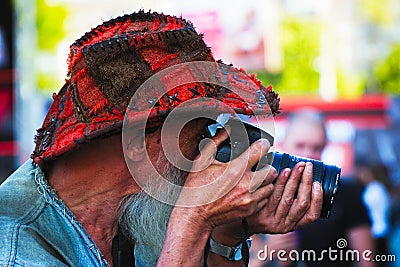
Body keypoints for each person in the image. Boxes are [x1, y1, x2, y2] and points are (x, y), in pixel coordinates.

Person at [0, 11, 323, 267]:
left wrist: (227, 234)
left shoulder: (138, 208)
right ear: (140, 142)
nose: (210, 149)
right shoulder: (13, 246)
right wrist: (193, 220)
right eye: (203, 132)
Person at [250, 110, 375, 267]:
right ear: (283, 144)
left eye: (316, 148)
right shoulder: (261, 192)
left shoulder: (345, 193)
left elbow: (366, 260)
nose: (308, 155)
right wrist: (268, 252)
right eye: (300, 145)